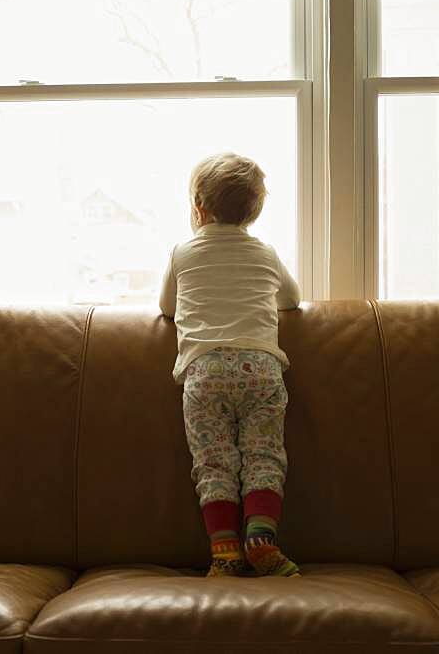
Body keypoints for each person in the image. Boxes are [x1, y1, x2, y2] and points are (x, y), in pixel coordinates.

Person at [159, 152, 301, 578]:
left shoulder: (183, 252)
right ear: (254, 213)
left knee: (215, 462)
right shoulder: (265, 253)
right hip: (261, 369)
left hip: (205, 373)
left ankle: (224, 553)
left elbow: (167, 306)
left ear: (198, 209)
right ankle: (260, 538)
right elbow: (291, 299)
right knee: (264, 455)